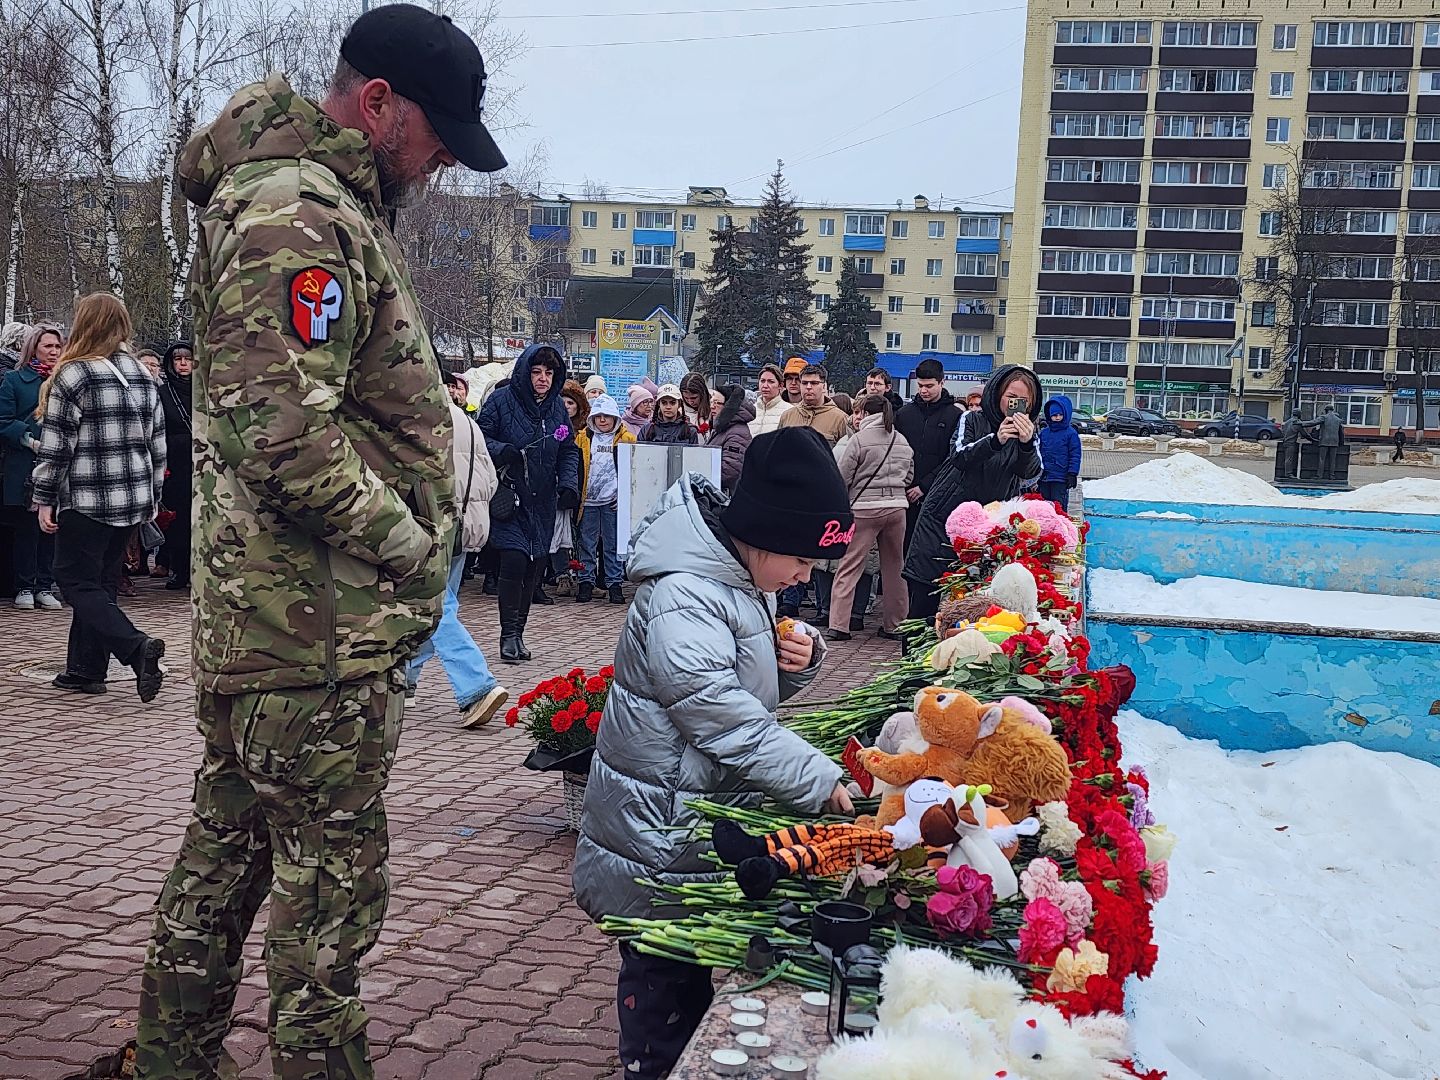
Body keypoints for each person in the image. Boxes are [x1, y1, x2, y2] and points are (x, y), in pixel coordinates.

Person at [135, 7, 505, 1078]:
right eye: (438, 137)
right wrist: (411, 548)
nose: (439, 166)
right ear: (377, 104)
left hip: (292, 626)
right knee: (327, 900)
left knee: (228, 862)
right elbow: (282, 433)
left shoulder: (314, 200)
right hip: (315, 634)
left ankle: (170, 1060)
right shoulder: (295, 213)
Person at [573, 426, 855, 1080]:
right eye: (803, 561)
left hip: (686, 828)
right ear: (764, 532)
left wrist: (799, 665)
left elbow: (743, 689)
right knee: (661, 994)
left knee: (687, 980)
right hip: (656, 835)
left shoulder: (739, 578)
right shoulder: (684, 593)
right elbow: (716, 712)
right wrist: (818, 779)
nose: (805, 576)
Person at [30, 293, 167, 698]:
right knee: (100, 584)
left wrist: (43, 497)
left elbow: (57, 447)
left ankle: (135, 646)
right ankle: (85, 670)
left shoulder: (74, 375)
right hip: (133, 498)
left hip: (88, 497)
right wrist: (153, 498)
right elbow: (157, 444)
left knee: (74, 582)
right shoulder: (143, 375)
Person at [407, 372, 509, 727]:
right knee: (435, 604)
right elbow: (490, 479)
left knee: (437, 607)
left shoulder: (419, 419)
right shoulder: (467, 422)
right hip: (465, 525)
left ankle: (477, 686)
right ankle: (406, 681)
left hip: (427, 524)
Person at [903, 364, 1043, 622]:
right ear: (997, 393)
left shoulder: (1031, 433)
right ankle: (913, 655)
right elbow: (959, 456)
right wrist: (995, 440)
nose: (1016, 405)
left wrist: (1024, 444)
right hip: (942, 518)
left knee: (980, 604)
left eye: (1023, 401)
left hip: (990, 525)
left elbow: (1032, 473)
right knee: (924, 600)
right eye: (1011, 398)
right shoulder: (972, 419)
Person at [481, 344, 581, 662]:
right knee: (513, 561)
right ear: (526, 372)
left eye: (549, 373)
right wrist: (502, 449)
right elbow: (479, 436)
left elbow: (567, 449)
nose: (542, 379)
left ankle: (519, 633)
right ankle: (508, 634)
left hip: (543, 500)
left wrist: (568, 484)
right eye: (537, 372)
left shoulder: (556, 409)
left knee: (535, 566)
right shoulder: (501, 400)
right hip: (511, 494)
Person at [829, 393, 913, 641]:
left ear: (865, 414)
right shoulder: (901, 440)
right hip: (897, 509)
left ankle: (839, 625)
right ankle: (895, 625)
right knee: (895, 568)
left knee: (849, 565)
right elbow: (909, 477)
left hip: (864, 509)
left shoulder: (859, 440)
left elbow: (842, 477)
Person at [0, 325, 62, 610]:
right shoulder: (14, 380)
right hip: (26, 461)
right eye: (47, 346)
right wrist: (29, 439)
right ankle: (24, 585)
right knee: (27, 526)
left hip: (58, 461)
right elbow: (3, 419)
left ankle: (45, 583)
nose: (53, 351)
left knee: (52, 526)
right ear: (33, 348)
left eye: (57, 346)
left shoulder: (64, 380)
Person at [894, 358, 961, 549]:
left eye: (930, 386)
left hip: (938, 495)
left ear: (942, 382)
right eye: (920, 385)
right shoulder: (905, 414)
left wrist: (924, 486)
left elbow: (953, 459)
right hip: (903, 493)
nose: (924, 391)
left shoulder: (955, 416)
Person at [576, 393, 635, 604]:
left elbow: (633, 471)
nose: (602, 420)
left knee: (613, 544)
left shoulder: (627, 439)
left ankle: (614, 584)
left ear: (615, 418)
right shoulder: (583, 438)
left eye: (607, 416)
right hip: (589, 501)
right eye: (598, 416)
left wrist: (625, 496)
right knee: (587, 543)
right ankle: (585, 581)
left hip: (612, 502)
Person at [156, 342, 194, 590]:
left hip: (201, 459)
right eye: (177, 359)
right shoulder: (163, 392)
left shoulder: (204, 389)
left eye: (187, 359)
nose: (182, 364)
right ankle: (178, 568)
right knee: (177, 517)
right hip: (175, 460)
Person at [779, 363, 849, 446]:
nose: (808, 387)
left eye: (814, 383)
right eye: (804, 383)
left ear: (824, 387)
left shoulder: (840, 419)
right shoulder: (787, 416)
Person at [1037, 394, 1082, 514]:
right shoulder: (1044, 433)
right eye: (1054, 415)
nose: (1057, 418)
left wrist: (1072, 473)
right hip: (1044, 477)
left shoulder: (1071, 434)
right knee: (1044, 508)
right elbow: (1038, 452)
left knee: (1059, 507)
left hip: (1061, 477)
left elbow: (1075, 455)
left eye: (1060, 415)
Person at [706, 382, 754, 493]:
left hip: (725, 498)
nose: (712, 406)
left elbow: (730, 472)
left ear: (728, 406)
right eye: (712, 402)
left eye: (717, 403)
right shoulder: (722, 429)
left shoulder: (737, 432)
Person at [749, 362, 793, 435]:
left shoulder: (789, 412)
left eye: (771, 382)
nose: (765, 385)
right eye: (762, 381)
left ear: (780, 385)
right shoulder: (750, 410)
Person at [1310, 405, 1345, 480]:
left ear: (1326, 410)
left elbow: (1313, 422)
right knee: (1333, 460)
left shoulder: (1324, 417)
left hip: (1324, 441)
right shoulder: (1338, 419)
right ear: (1332, 410)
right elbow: (1341, 433)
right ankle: (1332, 475)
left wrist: (1301, 423)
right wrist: (1341, 443)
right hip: (1334, 442)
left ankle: (1319, 475)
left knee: (1322, 459)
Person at [679, 371, 712, 436]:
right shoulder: (679, 411)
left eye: (693, 398)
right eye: (686, 398)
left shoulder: (715, 407)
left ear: (702, 394)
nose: (690, 402)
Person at [1279, 410, 1306, 479]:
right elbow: (1304, 434)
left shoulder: (1287, 422)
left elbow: (1283, 431)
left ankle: (1285, 472)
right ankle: (1288, 474)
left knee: (1286, 458)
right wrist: (1312, 439)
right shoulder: (1297, 423)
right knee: (1289, 459)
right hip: (1291, 443)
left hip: (1285, 442)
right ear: (1299, 414)